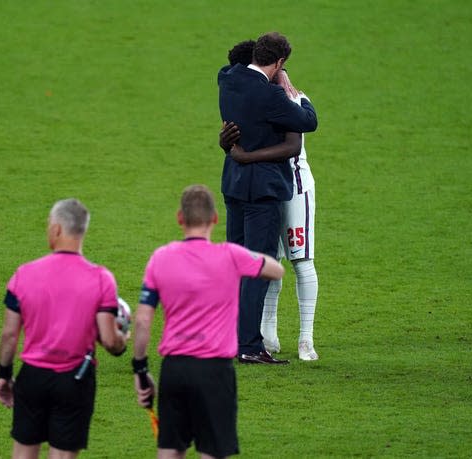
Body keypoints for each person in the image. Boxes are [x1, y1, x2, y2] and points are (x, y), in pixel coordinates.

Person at [132, 185, 286, 458]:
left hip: (175, 369)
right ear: (215, 219)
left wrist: (141, 369)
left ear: (180, 218)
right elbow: (276, 270)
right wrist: (247, 257)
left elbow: (143, 321)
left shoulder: (161, 258)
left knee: (169, 452)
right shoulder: (231, 256)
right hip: (215, 372)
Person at [0, 198, 129, 459]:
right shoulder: (102, 279)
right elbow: (111, 342)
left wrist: (4, 374)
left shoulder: (24, 274)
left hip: (32, 378)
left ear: (56, 229)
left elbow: (9, 334)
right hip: (75, 379)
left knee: (23, 453)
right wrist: (122, 338)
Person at [218, 32, 318, 363]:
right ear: (278, 63)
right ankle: (248, 346)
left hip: (233, 185)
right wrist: (295, 91)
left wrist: (278, 70)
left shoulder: (228, 80)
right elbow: (308, 121)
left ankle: (232, 339)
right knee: (258, 266)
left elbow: (231, 64)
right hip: (262, 191)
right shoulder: (272, 97)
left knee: (236, 264)